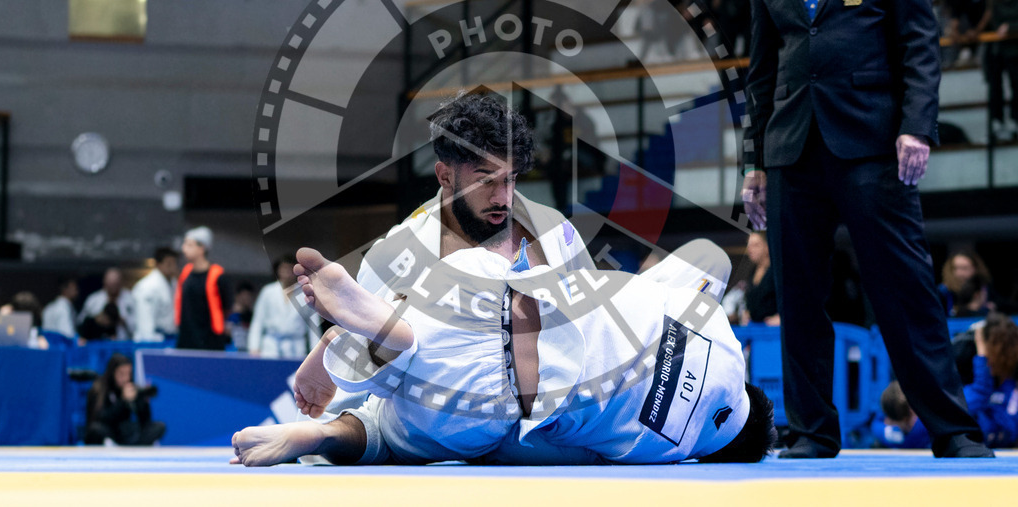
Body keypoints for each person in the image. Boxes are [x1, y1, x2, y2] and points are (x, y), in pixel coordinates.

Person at [231, 93, 743, 465]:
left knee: (703, 265)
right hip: (473, 421)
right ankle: (339, 393)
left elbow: (592, 316)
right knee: (407, 415)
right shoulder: (396, 256)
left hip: (551, 417)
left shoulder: (553, 230)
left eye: (512, 178)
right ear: (444, 175)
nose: (503, 196)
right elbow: (376, 398)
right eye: (486, 180)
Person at [741, 0, 992, 458]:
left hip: (875, 142)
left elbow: (918, 41)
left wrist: (917, 124)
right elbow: (761, 73)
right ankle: (811, 431)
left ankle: (952, 428)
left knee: (903, 288)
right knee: (798, 294)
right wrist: (753, 163)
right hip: (792, 147)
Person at [231, 243, 776, 466]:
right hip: (492, 392)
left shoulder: (718, 330)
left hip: (501, 294)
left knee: (448, 306)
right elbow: (541, 456)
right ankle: (331, 429)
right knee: (416, 432)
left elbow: (709, 255)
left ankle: (382, 328)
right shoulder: (674, 451)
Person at [878, 314, 1018, 449]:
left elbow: (879, 421)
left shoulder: (910, 425)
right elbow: (980, 392)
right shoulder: (933, 416)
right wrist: (981, 348)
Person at [974, 0, 1018, 142]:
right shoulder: (994, 1)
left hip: (1015, 51)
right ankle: (997, 122)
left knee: (1017, 85)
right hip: (998, 51)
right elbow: (996, 22)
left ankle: (1015, 120)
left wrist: (1011, 27)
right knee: (996, 88)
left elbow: (1005, 25)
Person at [84, 353, 166, 446]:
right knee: (96, 429)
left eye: (129, 373)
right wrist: (122, 401)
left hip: (126, 435)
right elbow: (101, 419)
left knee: (159, 426)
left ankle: (136, 449)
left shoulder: (132, 388)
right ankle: (114, 446)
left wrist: (142, 401)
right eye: (121, 374)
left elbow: (145, 422)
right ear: (112, 373)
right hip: (109, 433)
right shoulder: (100, 389)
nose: (126, 378)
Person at [247, 255, 318, 359]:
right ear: (278, 270)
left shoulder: (305, 293)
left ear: (296, 271)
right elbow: (258, 321)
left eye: (290, 268)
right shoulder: (268, 291)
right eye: (283, 268)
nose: (286, 272)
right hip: (270, 347)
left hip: (296, 347)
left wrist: (315, 352)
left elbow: (313, 325)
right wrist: (254, 347)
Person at [175, 226, 231, 350]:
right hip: (186, 340)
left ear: (202, 248)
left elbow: (227, 308)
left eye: (189, 245)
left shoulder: (218, 276)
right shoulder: (185, 273)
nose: (184, 249)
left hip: (210, 342)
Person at [132, 247, 178, 343]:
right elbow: (145, 322)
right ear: (158, 264)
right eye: (169, 263)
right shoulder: (147, 286)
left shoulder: (174, 283)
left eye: (174, 263)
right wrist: (149, 340)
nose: (172, 267)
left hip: (170, 338)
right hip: (153, 340)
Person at [77, 267, 135, 341]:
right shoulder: (93, 300)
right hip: (97, 346)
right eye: (110, 284)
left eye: (115, 284)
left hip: (124, 344)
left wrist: (124, 321)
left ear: (121, 283)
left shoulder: (130, 299)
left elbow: (138, 327)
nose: (113, 288)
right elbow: (81, 323)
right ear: (104, 282)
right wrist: (97, 320)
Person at [741, 231, 778, 326]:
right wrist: (747, 312)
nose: (750, 249)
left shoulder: (777, 272)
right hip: (755, 328)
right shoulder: (752, 272)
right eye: (748, 245)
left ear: (767, 247)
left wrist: (782, 317)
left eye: (755, 245)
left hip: (774, 330)